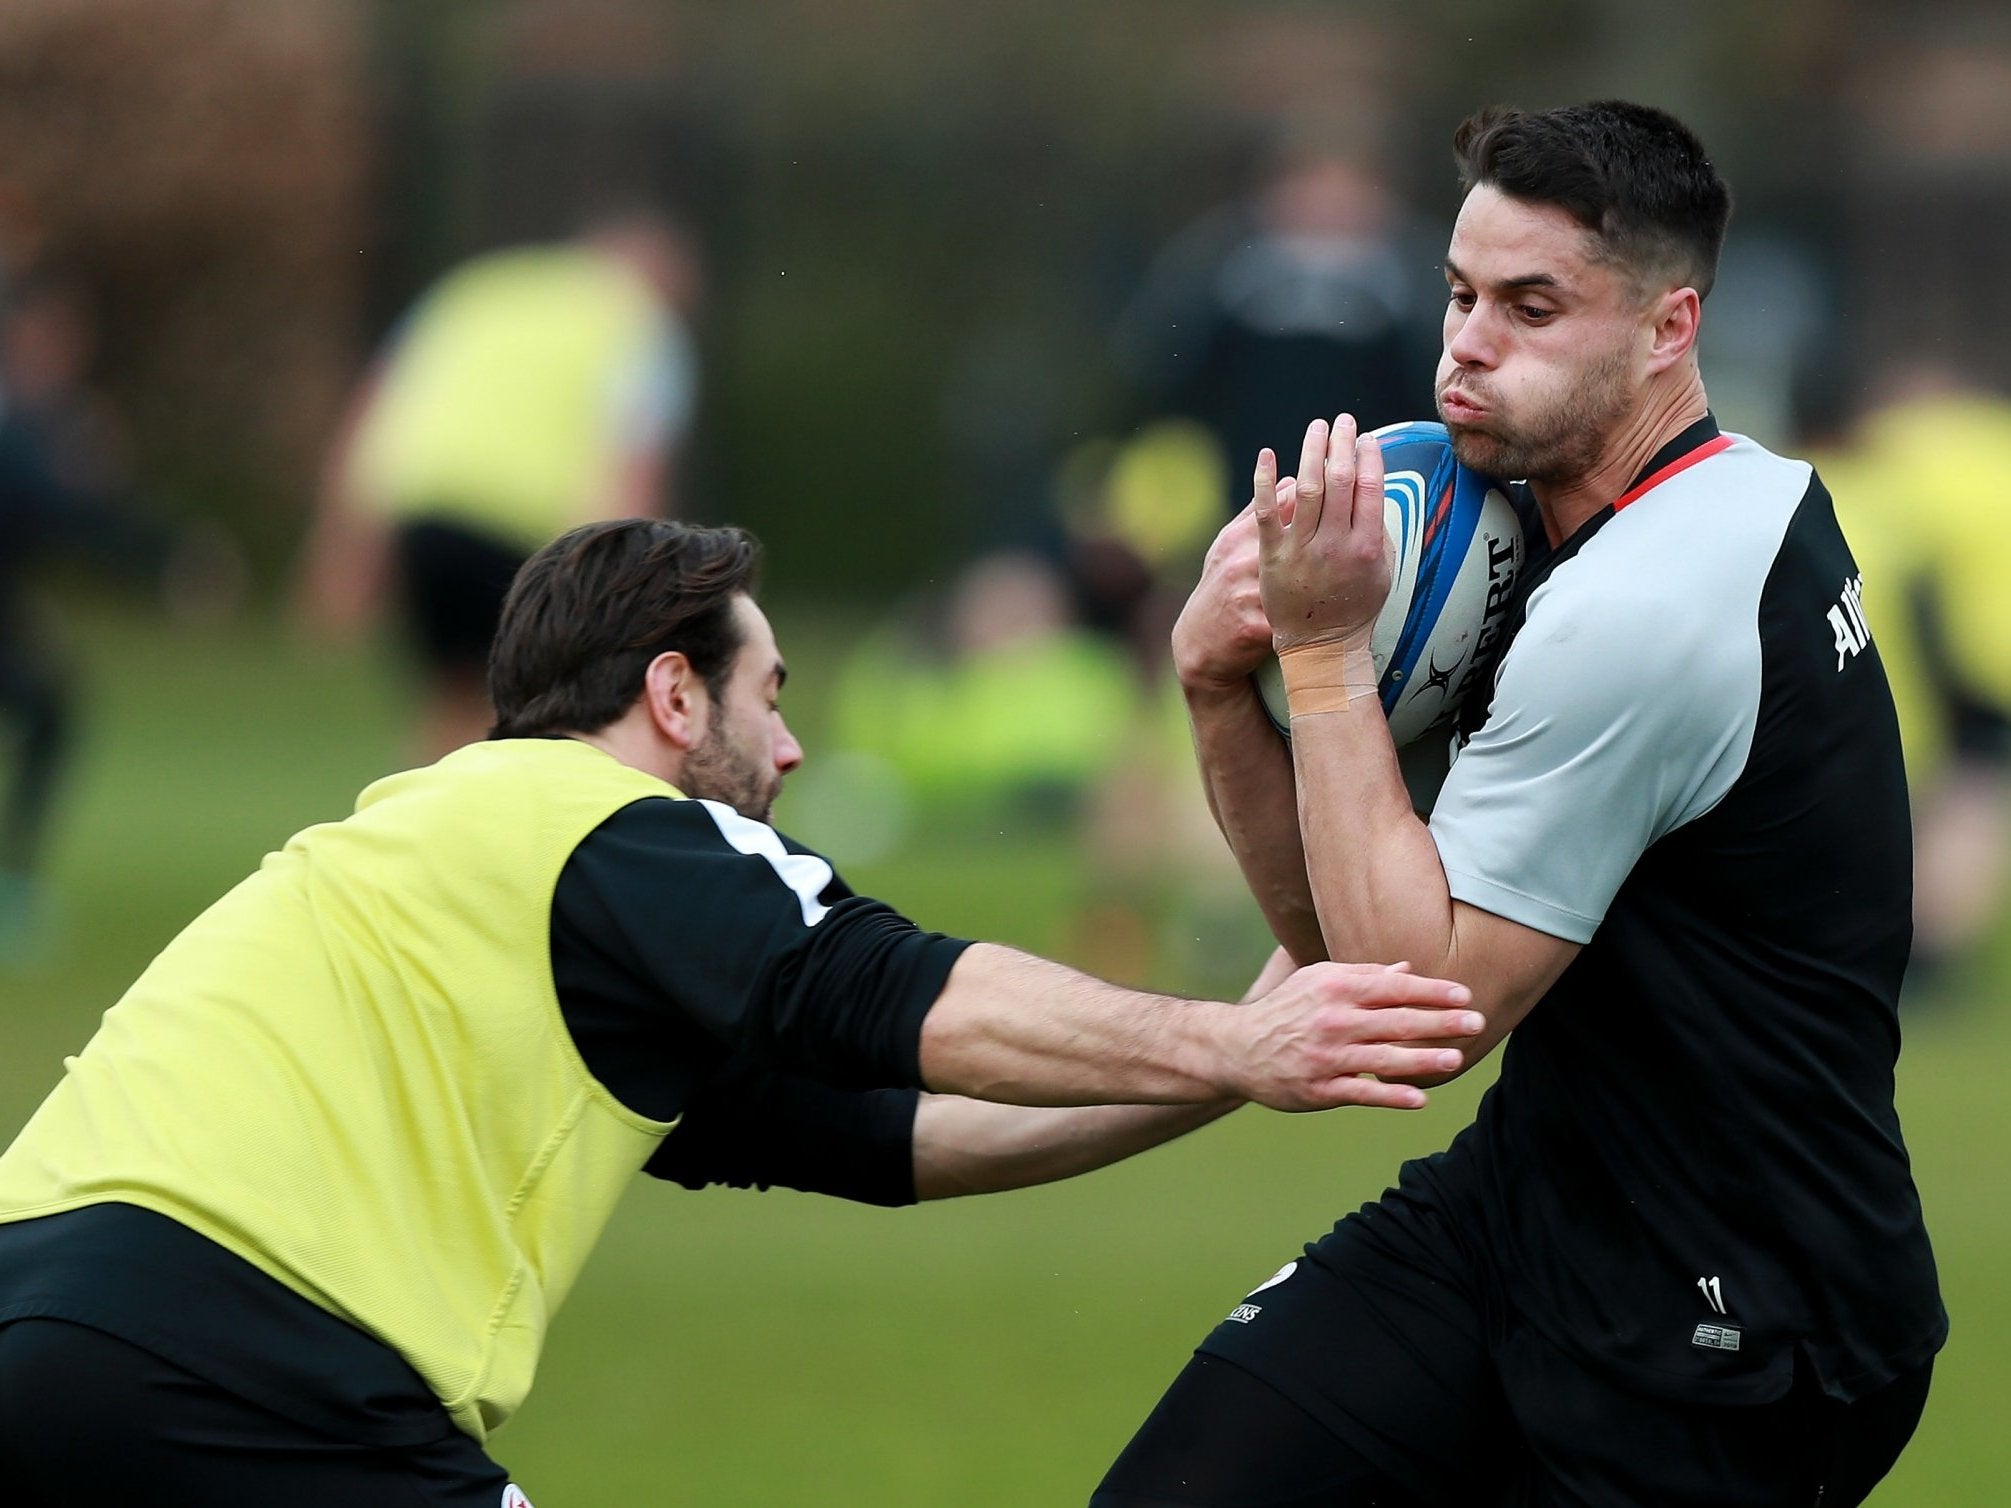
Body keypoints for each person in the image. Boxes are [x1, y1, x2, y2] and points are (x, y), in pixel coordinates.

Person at [0, 516, 1482, 1504]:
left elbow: (893, 1134)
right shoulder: (604, 825)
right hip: (242, 1359)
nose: (787, 746)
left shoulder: (476, 878)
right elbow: (894, 992)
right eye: (767, 694)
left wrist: (1225, 1055)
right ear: (670, 696)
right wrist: (1229, 1042)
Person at [1098, 101, 1944, 1508]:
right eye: (1457, 295)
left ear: (1667, 327)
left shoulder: (1644, 605)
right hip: (1530, 1208)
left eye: (1529, 307)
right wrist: (1207, 684)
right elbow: (1333, 939)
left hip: (1738, 1323)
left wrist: (1317, 656)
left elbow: (1406, 1006)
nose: (1465, 344)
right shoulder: (1656, 509)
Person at [297, 211, 704, 759]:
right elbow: (631, 465)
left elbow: (378, 409)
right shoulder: (642, 327)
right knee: (541, 710)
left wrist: (345, 545)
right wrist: (624, 585)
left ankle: (429, 828)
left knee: (452, 697)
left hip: (426, 513)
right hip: (527, 533)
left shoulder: (479, 290)